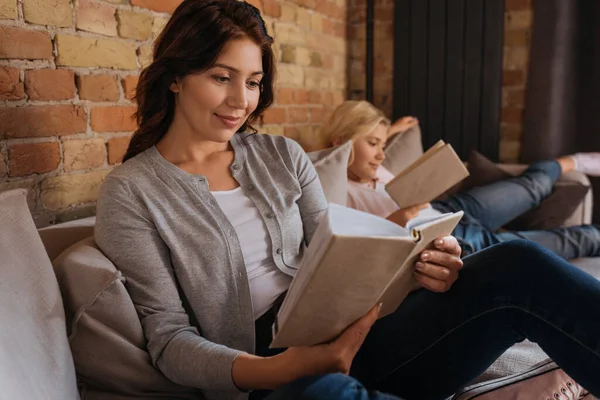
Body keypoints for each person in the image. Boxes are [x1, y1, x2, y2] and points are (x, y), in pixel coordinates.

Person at [94, 1, 600, 399]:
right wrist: (275, 369)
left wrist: (423, 266)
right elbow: (167, 339)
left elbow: (338, 252)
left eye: (252, 82)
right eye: (220, 77)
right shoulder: (133, 193)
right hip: (270, 371)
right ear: (177, 75)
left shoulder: (281, 155)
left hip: (365, 332)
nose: (240, 101)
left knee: (517, 263)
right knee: (325, 393)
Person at [320, 100, 600, 259]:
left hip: (451, 208)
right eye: (373, 144)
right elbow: (355, 252)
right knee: (574, 240)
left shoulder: (368, 164)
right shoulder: (334, 191)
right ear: (341, 143)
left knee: (533, 187)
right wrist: (397, 219)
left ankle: (573, 161)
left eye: (383, 145)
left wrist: (392, 130)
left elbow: (362, 141)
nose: (381, 155)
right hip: (453, 239)